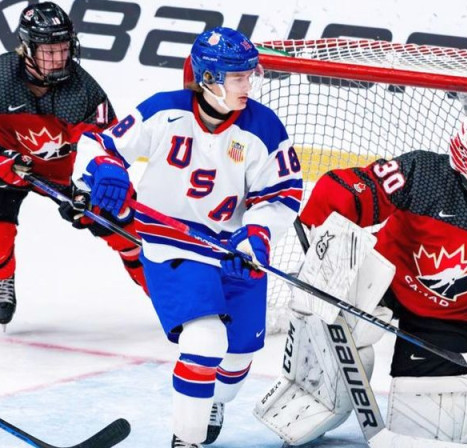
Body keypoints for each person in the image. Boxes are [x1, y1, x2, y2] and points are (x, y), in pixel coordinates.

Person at [258, 109, 467, 446]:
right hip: (385, 280)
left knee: (424, 415)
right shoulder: (423, 174)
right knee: (349, 330)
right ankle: (319, 404)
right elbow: (351, 190)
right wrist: (319, 237)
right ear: (466, 159)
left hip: (451, 312)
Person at [71, 27, 303, 448]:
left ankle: (215, 400)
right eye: (238, 77)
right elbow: (98, 145)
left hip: (233, 251)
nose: (248, 85)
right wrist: (105, 168)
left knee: (236, 360)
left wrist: (254, 238)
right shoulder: (164, 112)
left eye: (251, 76)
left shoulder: (263, 127)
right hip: (171, 245)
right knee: (204, 338)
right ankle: (186, 439)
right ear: (210, 79)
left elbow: (283, 195)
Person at [0, 2, 146, 327]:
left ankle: (167, 295)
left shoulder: (84, 91)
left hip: (61, 173)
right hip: (1, 169)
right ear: (26, 48)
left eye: (63, 49)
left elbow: (106, 148)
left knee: (126, 230)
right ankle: (2, 275)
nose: (59, 58)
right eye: (49, 50)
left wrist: (90, 187)